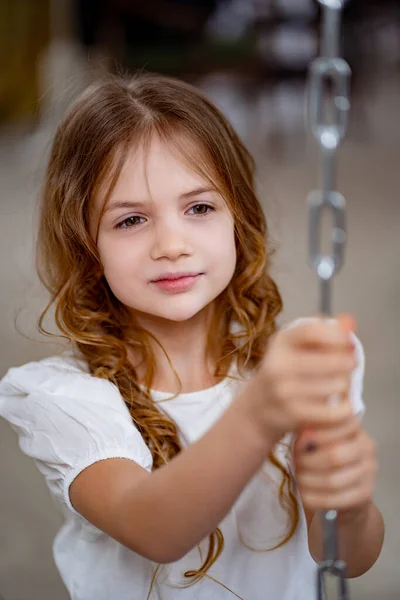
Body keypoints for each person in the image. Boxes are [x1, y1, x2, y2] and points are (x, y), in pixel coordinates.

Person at [0, 74, 384, 600]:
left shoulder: (301, 366)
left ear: (237, 219)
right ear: (89, 249)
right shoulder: (67, 402)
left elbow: (347, 557)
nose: (171, 244)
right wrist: (261, 413)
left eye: (199, 208)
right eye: (131, 220)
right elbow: (155, 530)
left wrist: (351, 501)